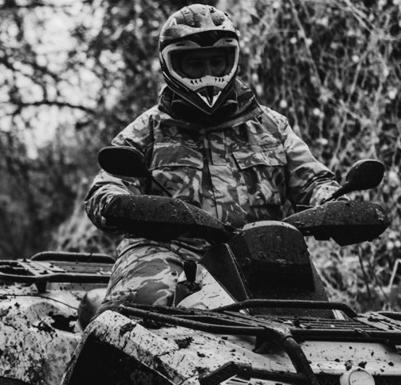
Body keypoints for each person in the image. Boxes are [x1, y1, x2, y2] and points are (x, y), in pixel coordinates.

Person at [85, 3, 340, 309]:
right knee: (148, 305)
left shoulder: (272, 126)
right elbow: (105, 188)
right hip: (170, 252)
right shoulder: (148, 129)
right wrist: (123, 204)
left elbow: (314, 181)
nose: (207, 74)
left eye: (216, 62)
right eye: (195, 64)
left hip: (260, 255)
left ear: (232, 60)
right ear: (171, 64)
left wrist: (335, 205)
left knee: (326, 320)